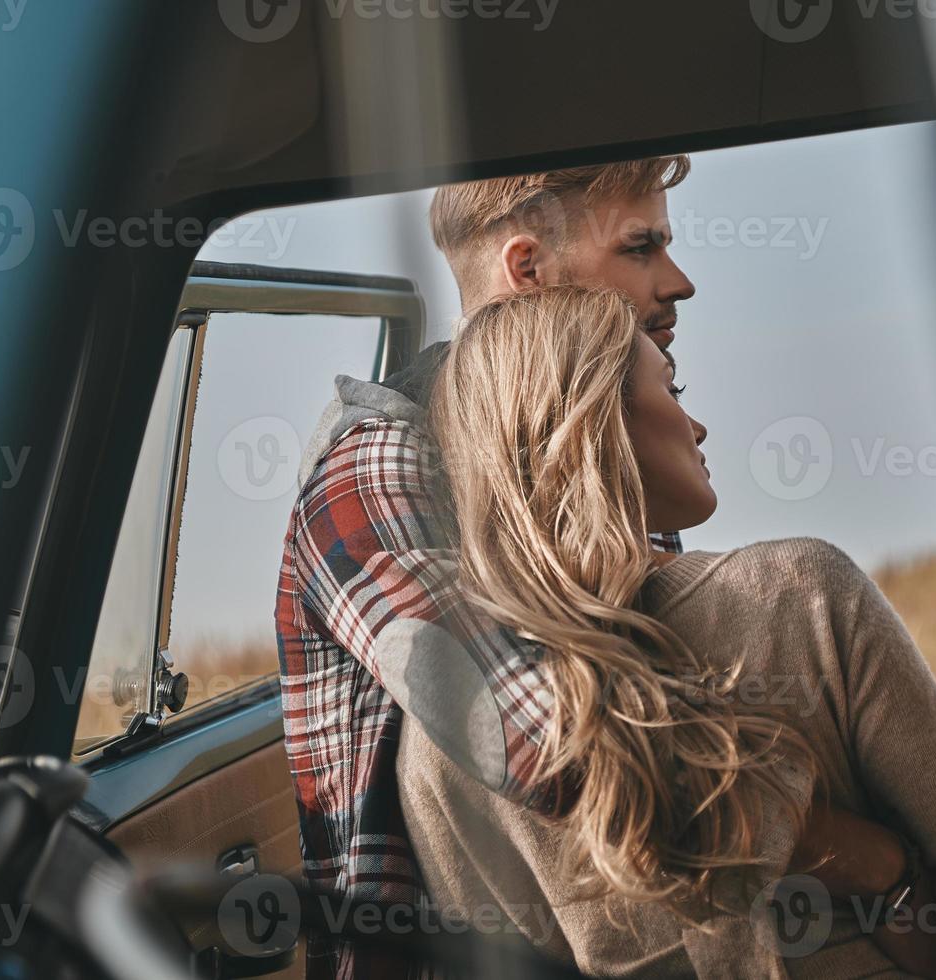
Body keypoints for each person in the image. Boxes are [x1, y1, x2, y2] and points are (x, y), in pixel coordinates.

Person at [402, 285, 936, 978]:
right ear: (599, 416)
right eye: (672, 385)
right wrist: (892, 873)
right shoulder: (802, 593)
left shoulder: (436, 736)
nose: (698, 426)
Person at [276, 157, 698, 978]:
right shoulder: (376, 469)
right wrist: (844, 848)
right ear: (528, 270)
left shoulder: (597, 437)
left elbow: (678, 670)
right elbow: (542, 743)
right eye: (641, 249)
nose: (678, 282)